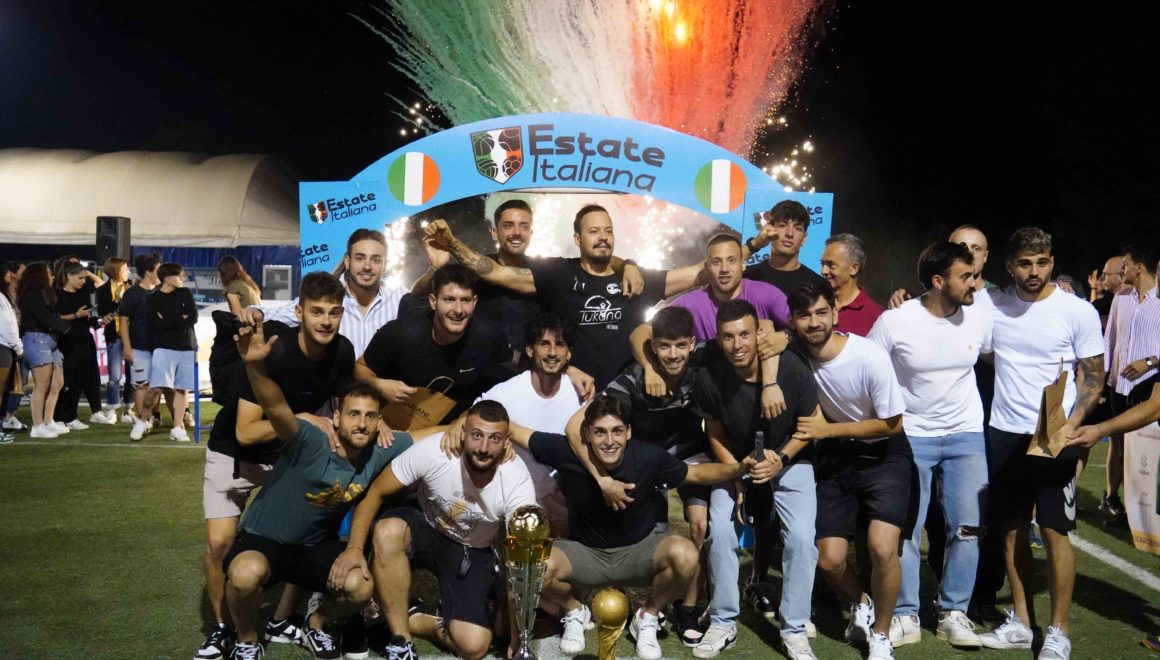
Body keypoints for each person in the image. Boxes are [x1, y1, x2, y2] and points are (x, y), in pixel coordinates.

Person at [508, 396, 755, 660]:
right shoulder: (565, 451)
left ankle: (647, 616)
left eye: (617, 431)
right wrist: (478, 433)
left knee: (686, 555)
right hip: (586, 553)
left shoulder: (648, 455)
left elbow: (694, 474)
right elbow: (511, 429)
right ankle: (574, 610)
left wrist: (738, 469)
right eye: (600, 432)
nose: (609, 441)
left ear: (628, 432)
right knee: (532, 564)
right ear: (586, 434)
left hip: (639, 551)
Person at [222, 318, 411, 660]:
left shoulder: (381, 446)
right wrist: (254, 367)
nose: (362, 423)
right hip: (264, 541)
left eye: (370, 416)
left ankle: (316, 622)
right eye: (354, 414)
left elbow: (431, 435)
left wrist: (465, 427)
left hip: (311, 548)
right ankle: (246, 640)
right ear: (336, 417)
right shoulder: (309, 438)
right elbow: (275, 405)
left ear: (379, 421)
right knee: (244, 575)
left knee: (360, 586)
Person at [195, 273, 360, 660]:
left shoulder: (342, 351)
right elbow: (247, 431)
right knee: (220, 544)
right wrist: (300, 419)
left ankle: (283, 619)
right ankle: (223, 628)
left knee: (308, 534)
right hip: (236, 451)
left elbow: (343, 412)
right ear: (299, 312)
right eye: (317, 311)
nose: (326, 321)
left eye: (334, 312)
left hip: (288, 454)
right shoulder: (272, 348)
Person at [978, 227, 1105, 660]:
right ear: (1009, 265)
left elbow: (1094, 374)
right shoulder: (992, 304)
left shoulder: (1076, 310)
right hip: (1004, 430)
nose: (1034, 271)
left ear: (1051, 261)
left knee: (1054, 531)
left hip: (1055, 432)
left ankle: (1059, 631)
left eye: (1042, 262)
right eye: (1025, 263)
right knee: (1011, 529)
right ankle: (1020, 621)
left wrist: (1074, 422)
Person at [423, 204, 712, 388]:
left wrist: (737, 250)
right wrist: (452, 243)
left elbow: (696, 274)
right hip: (568, 391)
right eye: (593, 231)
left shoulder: (636, 278)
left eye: (608, 231)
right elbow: (496, 273)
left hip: (626, 395)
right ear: (577, 239)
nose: (602, 237)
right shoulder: (558, 274)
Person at [332, 401, 536, 660]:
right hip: (423, 524)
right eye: (477, 435)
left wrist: (518, 641)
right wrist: (354, 549)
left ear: (506, 442)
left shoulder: (517, 481)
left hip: (471, 549)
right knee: (388, 531)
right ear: (462, 432)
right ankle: (401, 641)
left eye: (494, 438)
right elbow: (376, 492)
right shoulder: (436, 450)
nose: (484, 448)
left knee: (473, 646)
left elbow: (521, 563)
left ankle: (411, 616)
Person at [868, 242, 992, 648]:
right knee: (906, 529)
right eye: (965, 276)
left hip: (966, 435)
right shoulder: (896, 320)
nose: (974, 283)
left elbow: (1005, 355)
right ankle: (905, 613)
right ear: (938, 281)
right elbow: (868, 367)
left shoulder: (980, 315)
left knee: (968, 527)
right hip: (913, 436)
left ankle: (953, 611)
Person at [787, 280, 911, 660]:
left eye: (821, 312)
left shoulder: (868, 356)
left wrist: (828, 430)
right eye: (804, 315)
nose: (814, 322)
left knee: (881, 547)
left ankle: (882, 635)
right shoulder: (795, 355)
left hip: (886, 455)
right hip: (839, 459)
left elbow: (893, 424)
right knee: (829, 559)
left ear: (836, 313)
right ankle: (863, 603)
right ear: (793, 320)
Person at [690, 300, 821, 660]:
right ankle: (723, 621)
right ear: (718, 338)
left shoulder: (791, 367)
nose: (737, 345)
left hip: (790, 461)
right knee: (720, 530)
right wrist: (736, 476)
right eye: (728, 337)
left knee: (801, 539)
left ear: (758, 334)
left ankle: (794, 629)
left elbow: (811, 424)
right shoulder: (710, 375)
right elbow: (714, 432)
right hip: (738, 463)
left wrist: (782, 459)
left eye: (745, 334)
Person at [443, 312, 583, 537]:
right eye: (544, 344)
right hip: (513, 497)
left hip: (562, 499)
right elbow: (473, 415)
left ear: (569, 353)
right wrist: (457, 423)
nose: (552, 352)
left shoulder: (580, 392)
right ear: (530, 350)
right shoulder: (507, 392)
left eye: (559, 345)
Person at [356, 264, 516, 425]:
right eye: (449, 300)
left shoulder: (488, 336)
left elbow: (499, 386)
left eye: (465, 300)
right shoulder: (402, 332)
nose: (458, 310)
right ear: (433, 302)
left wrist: (466, 418)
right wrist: (379, 385)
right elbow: (360, 368)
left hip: (453, 425)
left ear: (474, 302)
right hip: (393, 420)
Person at [413, 199, 545, 355]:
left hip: (532, 366)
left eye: (524, 226)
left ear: (531, 233)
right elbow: (415, 297)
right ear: (494, 232)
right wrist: (435, 268)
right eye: (508, 225)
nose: (517, 232)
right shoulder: (471, 270)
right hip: (480, 364)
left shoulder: (547, 272)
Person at [257, 228, 406, 357]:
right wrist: (256, 313)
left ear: (385, 264)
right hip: (335, 380)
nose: (367, 266)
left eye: (376, 260)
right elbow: (279, 314)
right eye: (360, 258)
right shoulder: (328, 293)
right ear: (347, 261)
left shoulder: (399, 296)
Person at [1099, 245, 1159, 524]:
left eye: (1125, 264)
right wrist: (1102, 381)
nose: (1122, 270)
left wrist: (1148, 362)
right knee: (1118, 444)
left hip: (1148, 389)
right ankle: (1112, 499)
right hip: (1118, 386)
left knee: (1146, 450)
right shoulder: (1120, 298)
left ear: (1140, 268)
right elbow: (1109, 340)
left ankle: (1145, 513)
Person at [670, 232, 790, 337]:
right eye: (716, 262)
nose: (724, 269)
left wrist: (785, 337)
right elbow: (658, 332)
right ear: (707, 267)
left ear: (742, 264)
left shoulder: (767, 295)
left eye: (731, 260)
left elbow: (800, 328)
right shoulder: (688, 305)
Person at [136, 262, 197, 442]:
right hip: (163, 347)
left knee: (181, 390)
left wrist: (168, 320)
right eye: (179, 275)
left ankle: (177, 427)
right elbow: (156, 325)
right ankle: (142, 421)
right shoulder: (153, 299)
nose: (183, 278)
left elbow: (193, 317)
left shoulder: (185, 293)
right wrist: (180, 318)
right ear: (167, 278)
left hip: (186, 346)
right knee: (155, 388)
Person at [16, 263, 68, 437]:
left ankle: (48, 420)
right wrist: (66, 325)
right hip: (36, 340)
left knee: (57, 382)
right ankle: (37, 427)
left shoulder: (44, 293)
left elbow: (52, 317)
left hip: (51, 340)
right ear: (39, 276)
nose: (52, 277)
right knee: (42, 385)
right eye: (48, 274)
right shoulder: (30, 296)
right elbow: (45, 319)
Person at [53, 261, 105, 429]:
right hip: (67, 341)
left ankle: (71, 416)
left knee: (81, 380)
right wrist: (75, 315)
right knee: (68, 380)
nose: (83, 281)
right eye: (80, 278)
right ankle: (60, 416)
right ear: (69, 276)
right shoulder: (57, 295)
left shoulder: (85, 293)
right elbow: (55, 319)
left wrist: (98, 319)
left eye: (84, 278)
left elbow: (93, 313)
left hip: (84, 339)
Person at [742, 199, 826, 292]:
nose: (790, 233)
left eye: (798, 228)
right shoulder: (747, 276)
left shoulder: (818, 285)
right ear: (769, 229)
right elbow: (728, 265)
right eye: (782, 225)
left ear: (804, 238)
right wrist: (755, 243)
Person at [118, 254, 160, 428]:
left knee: (158, 385)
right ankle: (144, 421)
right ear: (149, 272)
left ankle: (154, 416)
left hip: (161, 348)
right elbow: (123, 322)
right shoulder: (132, 294)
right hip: (139, 347)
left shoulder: (162, 291)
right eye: (158, 269)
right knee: (141, 385)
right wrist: (127, 347)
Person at [820, 233, 884, 337]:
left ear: (854, 268)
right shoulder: (813, 303)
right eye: (822, 264)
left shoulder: (876, 316)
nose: (823, 271)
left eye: (831, 265)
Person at [95, 257, 131, 423]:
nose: (128, 272)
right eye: (124, 269)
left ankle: (128, 409)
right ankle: (111, 409)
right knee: (114, 375)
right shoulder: (103, 290)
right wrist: (116, 299)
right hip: (113, 336)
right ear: (115, 271)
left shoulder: (131, 287)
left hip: (131, 335)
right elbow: (103, 313)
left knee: (132, 374)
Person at [0, 264, 21, 442]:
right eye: (8, 274)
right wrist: (18, 347)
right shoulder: (1, 298)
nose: (11, 276)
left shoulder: (4, 296)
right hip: (3, 347)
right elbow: (7, 325)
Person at [1089, 255, 1127, 325]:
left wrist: (1093, 288)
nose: (1102, 279)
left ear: (1120, 276)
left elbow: (1090, 310)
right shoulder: (1105, 303)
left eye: (1106, 274)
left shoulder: (1132, 302)